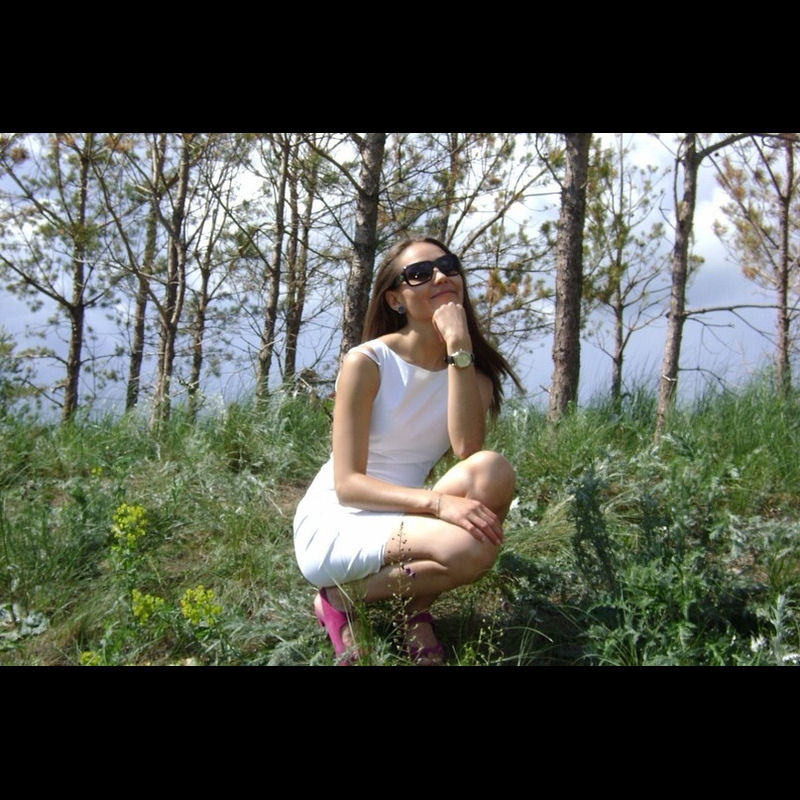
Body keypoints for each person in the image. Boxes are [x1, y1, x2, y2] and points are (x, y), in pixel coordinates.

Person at [293, 235, 520, 665]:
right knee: (472, 550)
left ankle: (406, 609)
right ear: (395, 299)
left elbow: (467, 449)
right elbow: (348, 486)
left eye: (448, 266)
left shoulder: (474, 377)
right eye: (418, 273)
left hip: (403, 514)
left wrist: (458, 346)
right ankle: (339, 600)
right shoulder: (368, 362)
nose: (440, 277)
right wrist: (437, 504)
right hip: (341, 518)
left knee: (492, 470)